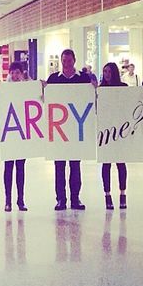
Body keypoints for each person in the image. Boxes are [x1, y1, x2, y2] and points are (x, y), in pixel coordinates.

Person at [46, 49, 91, 211]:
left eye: (69, 60)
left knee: (75, 166)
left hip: (75, 130)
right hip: (58, 131)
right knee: (59, 167)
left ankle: (75, 198)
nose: (66, 63)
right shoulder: (53, 79)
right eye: (64, 60)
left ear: (74, 60)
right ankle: (61, 199)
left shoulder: (83, 79)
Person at [99, 62, 128, 210]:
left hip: (120, 130)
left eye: (109, 72)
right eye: (104, 72)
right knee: (106, 164)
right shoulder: (101, 89)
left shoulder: (123, 87)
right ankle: (107, 195)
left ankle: (123, 193)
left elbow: (131, 103)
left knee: (121, 163)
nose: (107, 74)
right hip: (105, 131)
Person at [4, 61, 29, 212]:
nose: (14, 75)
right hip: (8, 134)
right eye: (12, 72)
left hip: (21, 133)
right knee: (8, 168)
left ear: (21, 73)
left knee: (20, 168)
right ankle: (8, 200)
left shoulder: (26, 89)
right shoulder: (4, 89)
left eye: (17, 72)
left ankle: (20, 199)